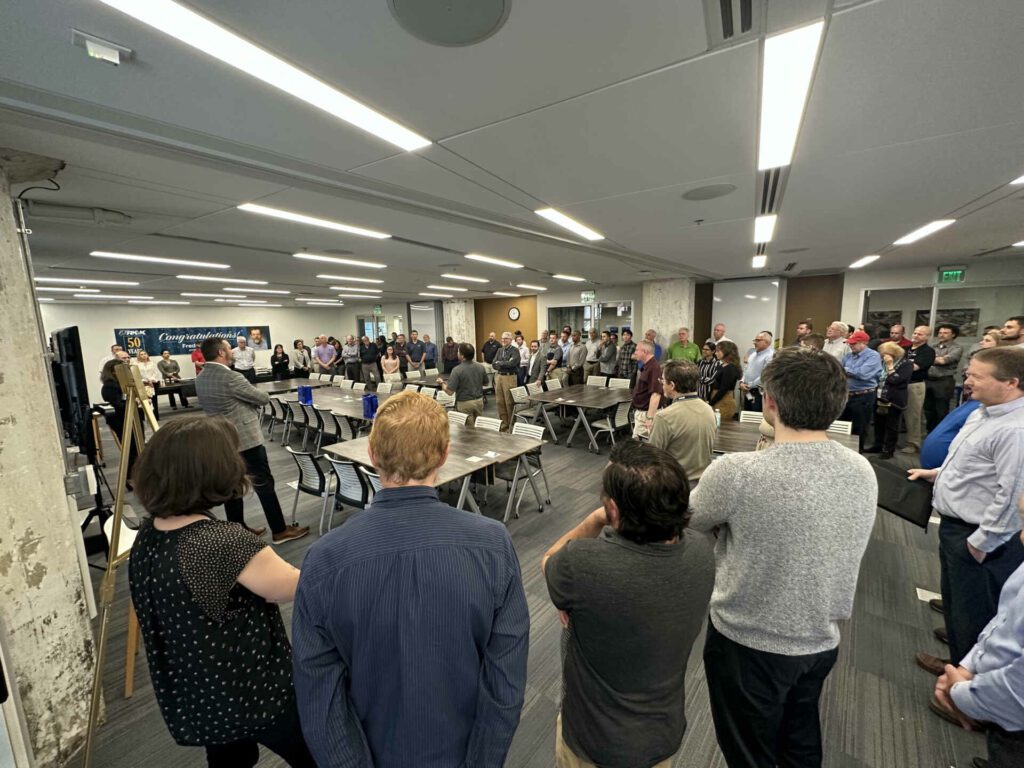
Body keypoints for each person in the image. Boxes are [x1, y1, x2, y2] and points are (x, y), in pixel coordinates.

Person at [292, 392, 529, 767]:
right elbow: (506, 684)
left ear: (372, 454)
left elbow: (320, 700)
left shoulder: (322, 560)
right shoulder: (493, 544)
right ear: (444, 455)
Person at [691, 347, 877, 768]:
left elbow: (691, 517)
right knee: (799, 739)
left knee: (749, 753)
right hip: (821, 639)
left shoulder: (738, 471)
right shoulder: (861, 470)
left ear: (769, 402)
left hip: (747, 643)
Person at [127, 417, 314, 768]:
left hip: (200, 692)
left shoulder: (149, 535)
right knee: (319, 751)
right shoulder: (220, 541)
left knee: (230, 756)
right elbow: (294, 586)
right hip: (255, 691)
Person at [542, 441, 713, 768]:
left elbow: (549, 560)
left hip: (591, 742)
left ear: (614, 511)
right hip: (661, 737)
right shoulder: (702, 553)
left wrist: (594, 521)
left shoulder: (583, 564)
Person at [908, 348, 1024, 711]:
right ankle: (955, 665)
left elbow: (1011, 496)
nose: (967, 381)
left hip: (980, 537)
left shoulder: (1016, 430)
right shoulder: (982, 413)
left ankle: (965, 698)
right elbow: (969, 465)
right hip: (958, 527)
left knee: (978, 610)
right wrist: (936, 474)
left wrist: (981, 543)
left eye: (977, 376)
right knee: (957, 601)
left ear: (1011, 383)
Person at [935, 498, 1024, 768]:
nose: (1020, 537)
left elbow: (1019, 690)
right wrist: (967, 667)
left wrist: (962, 694)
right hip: (996, 702)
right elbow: (1005, 622)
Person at [195, 337, 308, 544]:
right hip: (246, 441)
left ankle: (238, 531)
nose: (232, 351)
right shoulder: (231, 377)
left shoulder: (201, 378)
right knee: (264, 483)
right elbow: (262, 398)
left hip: (222, 440)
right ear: (221, 353)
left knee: (233, 486)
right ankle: (280, 530)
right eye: (229, 348)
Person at [649, 361, 717, 482]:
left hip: (676, 485)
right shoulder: (709, 410)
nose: (662, 384)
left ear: (672, 385)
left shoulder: (664, 417)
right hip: (703, 482)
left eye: (663, 381)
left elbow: (652, 459)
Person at [865, 341, 913, 458]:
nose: (882, 356)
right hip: (879, 396)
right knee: (878, 424)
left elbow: (896, 380)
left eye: (885, 353)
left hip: (894, 399)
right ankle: (878, 445)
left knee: (891, 426)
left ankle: (888, 450)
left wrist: (891, 366)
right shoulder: (881, 362)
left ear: (893, 353)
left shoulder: (906, 364)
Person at [100, 358, 142, 486]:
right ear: (114, 371)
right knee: (131, 449)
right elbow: (117, 405)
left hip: (130, 419)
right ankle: (130, 477)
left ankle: (135, 476)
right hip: (122, 421)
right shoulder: (110, 386)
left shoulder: (118, 384)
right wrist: (134, 403)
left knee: (136, 448)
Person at [840, 330, 883, 452]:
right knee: (842, 425)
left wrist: (845, 369)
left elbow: (863, 374)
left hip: (863, 396)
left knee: (859, 428)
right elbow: (838, 371)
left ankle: (858, 454)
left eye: (853, 343)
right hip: (846, 395)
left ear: (863, 343)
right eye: (850, 343)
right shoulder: (848, 356)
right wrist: (847, 370)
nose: (850, 345)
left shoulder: (873, 356)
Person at [901, 325, 936, 454]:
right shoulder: (905, 349)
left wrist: (900, 365)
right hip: (900, 385)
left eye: (920, 334)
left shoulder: (928, 351)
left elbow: (914, 367)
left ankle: (913, 444)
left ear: (927, 337)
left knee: (913, 415)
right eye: (915, 333)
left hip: (915, 385)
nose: (915, 335)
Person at [437, 343, 488, 427]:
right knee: (479, 429)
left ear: (462, 356)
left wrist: (442, 383)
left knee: (468, 432)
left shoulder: (457, 370)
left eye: (458, 351)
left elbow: (450, 392)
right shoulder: (480, 367)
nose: (457, 353)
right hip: (479, 402)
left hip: (464, 403)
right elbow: (485, 383)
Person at [926, 323, 964, 432]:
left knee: (941, 410)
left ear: (953, 335)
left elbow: (944, 361)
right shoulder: (933, 346)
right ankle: (930, 432)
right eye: (940, 333)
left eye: (946, 333)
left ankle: (941, 432)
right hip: (929, 380)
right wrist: (934, 358)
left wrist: (930, 358)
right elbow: (927, 359)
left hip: (944, 381)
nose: (942, 335)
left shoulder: (957, 347)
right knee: (928, 409)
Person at [631, 340, 663, 439]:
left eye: (637, 350)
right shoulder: (647, 365)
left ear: (645, 351)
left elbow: (656, 394)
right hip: (643, 413)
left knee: (640, 447)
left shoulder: (654, 368)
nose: (635, 352)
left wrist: (650, 418)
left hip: (646, 415)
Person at [491, 331, 522, 431]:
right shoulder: (500, 350)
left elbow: (512, 364)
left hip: (510, 377)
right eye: (502, 338)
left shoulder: (515, 350)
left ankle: (512, 424)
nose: (503, 340)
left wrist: (500, 362)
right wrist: (503, 363)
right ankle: (504, 423)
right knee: (500, 401)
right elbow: (493, 364)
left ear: (511, 340)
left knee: (509, 402)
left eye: (506, 338)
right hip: (499, 377)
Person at [739, 331, 774, 413]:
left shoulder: (770, 356)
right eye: (754, 340)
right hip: (747, 391)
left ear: (766, 342)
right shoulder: (753, 354)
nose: (754, 343)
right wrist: (741, 382)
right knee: (747, 418)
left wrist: (749, 385)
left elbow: (765, 375)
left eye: (758, 340)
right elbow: (746, 370)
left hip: (759, 392)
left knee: (756, 418)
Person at [708, 340, 742, 422]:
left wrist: (711, 403)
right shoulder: (722, 365)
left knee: (721, 426)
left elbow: (724, 389)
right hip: (716, 398)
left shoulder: (730, 368)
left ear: (726, 352)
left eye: (718, 351)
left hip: (724, 400)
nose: (715, 353)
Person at [133, 350, 162, 420]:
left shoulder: (152, 363)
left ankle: (155, 417)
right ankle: (143, 417)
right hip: (142, 384)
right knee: (143, 401)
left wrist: (151, 379)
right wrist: (145, 381)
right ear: (138, 356)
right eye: (141, 354)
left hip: (153, 383)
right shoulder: (136, 364)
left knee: (154, 400)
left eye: (145, 354)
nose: (144, 355)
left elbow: (156, 373)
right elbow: (136, 375)